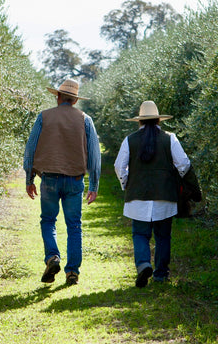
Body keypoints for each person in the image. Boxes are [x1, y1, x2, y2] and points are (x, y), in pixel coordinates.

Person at [23, 79, 101, 285]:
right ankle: (72, 272)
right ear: (75, 100)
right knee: (74, 225)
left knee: (48, 221)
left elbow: (30, 149)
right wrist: (94, 185)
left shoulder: (44, 117)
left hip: (48, 178)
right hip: (75, 180)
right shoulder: (85, 119)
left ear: (57, 97)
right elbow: (94, 154)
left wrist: (29, 178)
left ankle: (52, 257)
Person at [114, 100, 191, 288]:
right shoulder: (169, 138)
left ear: (139, 121)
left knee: (140, 234)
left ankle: (143, 264)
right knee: (163, 236)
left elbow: (119, 166)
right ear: (158, 120)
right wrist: (175, 181)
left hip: (137, 197)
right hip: (165, 196)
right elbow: (184, 164)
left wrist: (127, 184)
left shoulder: (129, 140)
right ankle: (161, 275)